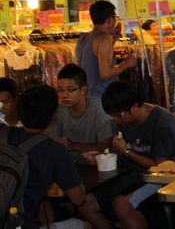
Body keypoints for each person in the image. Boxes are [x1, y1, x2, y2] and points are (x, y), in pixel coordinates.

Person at [4, 85, 106, 229]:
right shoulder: (53, 150)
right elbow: (78, 199)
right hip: (20, 225)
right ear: (54, 116)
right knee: (86, 225)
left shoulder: (3, 134)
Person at [87, 80, 175, 229]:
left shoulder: (162, 122)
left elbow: (160, 167)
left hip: (162, 178)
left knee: (122, 205)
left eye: (118, 115)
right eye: (112, 116)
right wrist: (100, 157)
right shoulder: (123, 121)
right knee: (86, 201)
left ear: (134, 107)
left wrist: (126, 152)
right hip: (132, 175)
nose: (115, 120)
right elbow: (118, 151)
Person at [50, 63, 117, 163]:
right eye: (60, 90)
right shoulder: (59, 110)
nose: (64, 95)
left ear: (83, 90)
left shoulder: (99, 109)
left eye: (70, 90)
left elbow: (106, 146)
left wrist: (74, 145)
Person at [75, 1, 137, 99]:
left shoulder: (82, 39)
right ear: (110, 20)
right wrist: (126, 63)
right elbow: (106, 74)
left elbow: (92, 62)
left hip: (87, 97)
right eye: (114, 18)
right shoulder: (104, 38)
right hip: (102, 97)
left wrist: (112, 43)